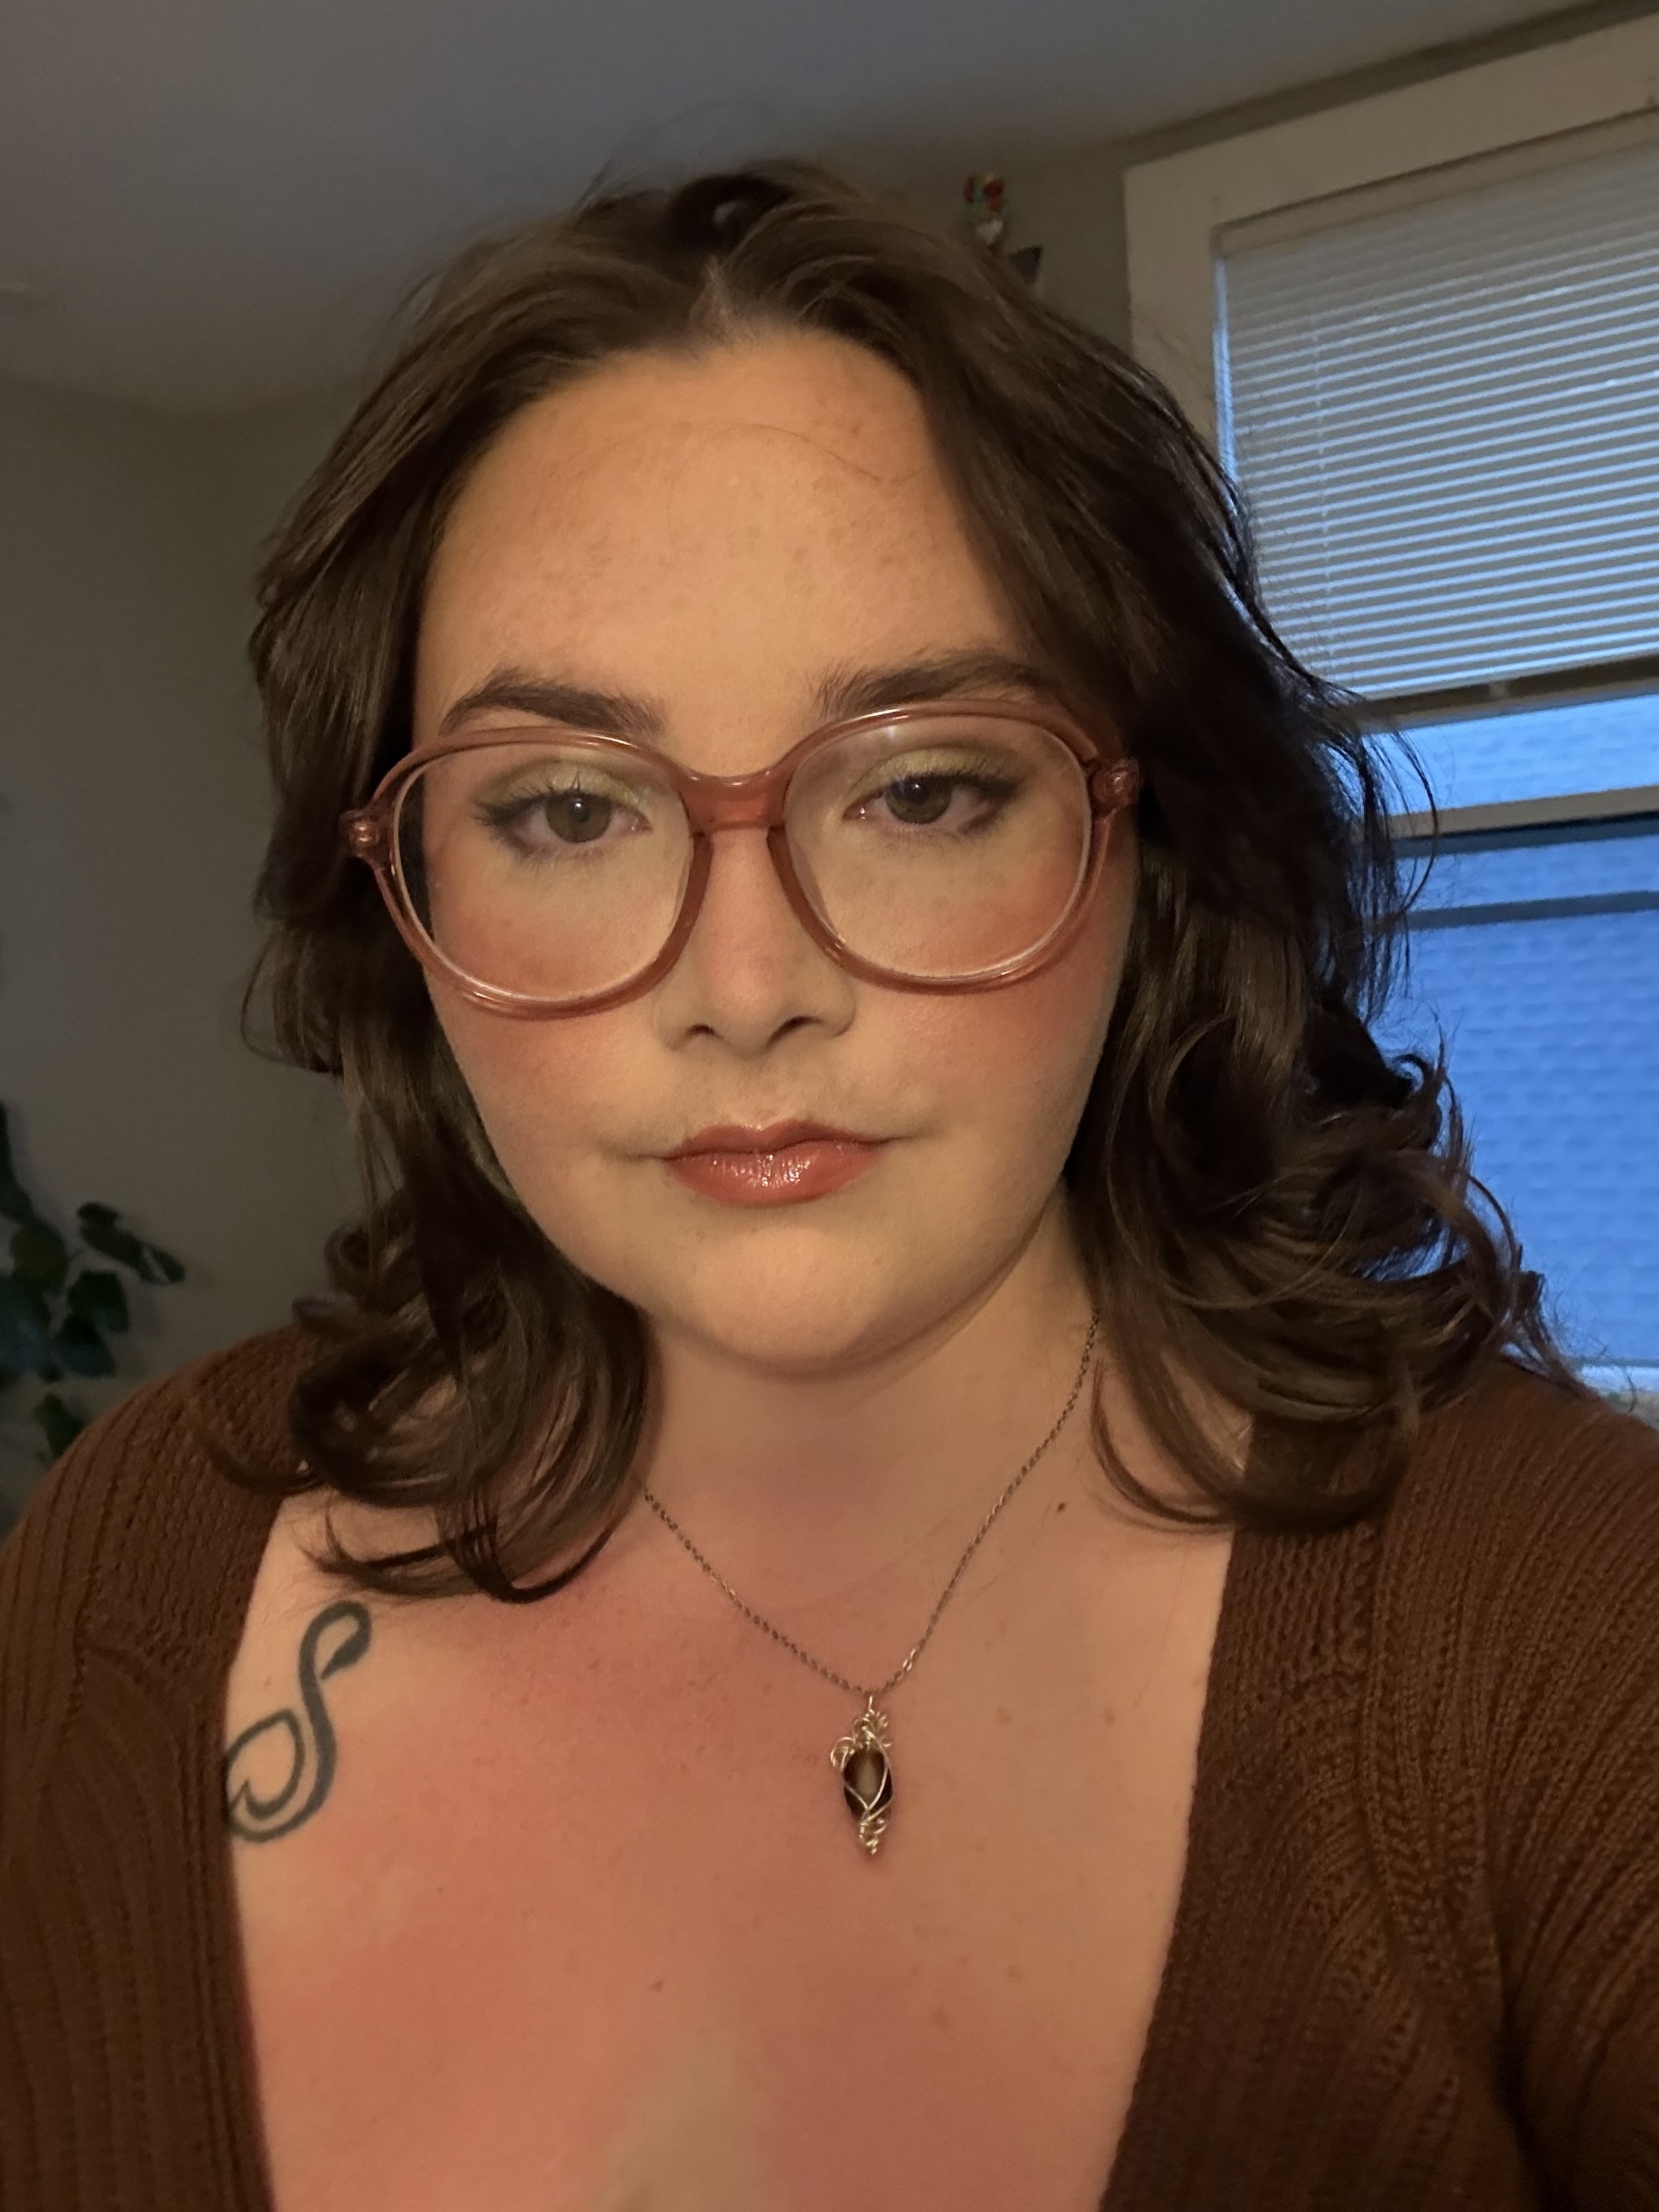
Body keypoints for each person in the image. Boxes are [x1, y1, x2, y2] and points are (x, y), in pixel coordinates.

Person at [2, 163, 1656, 2212]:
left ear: (1146, 844)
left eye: (920, 789)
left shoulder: (1571, 1634)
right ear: (403, 895)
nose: (747, 985)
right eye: (568, 809)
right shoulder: (140, 1553)